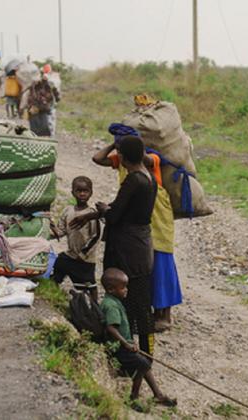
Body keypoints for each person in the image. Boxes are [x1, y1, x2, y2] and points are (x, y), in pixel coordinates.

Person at [71, 136, 157, 356]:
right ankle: (146, 354)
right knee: (142, 304)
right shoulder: (149, 177)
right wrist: (95, 214)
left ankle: (123, 352)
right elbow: (130, 210)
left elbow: (116, 214)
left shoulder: (133, 180)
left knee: (120, 300)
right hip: (142, 245)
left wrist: (102, 209)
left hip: (126, 248)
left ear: (123, 157)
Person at [93, 126, 182, 332]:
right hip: (143, 231)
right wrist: (117, 145)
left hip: (149, 224)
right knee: (143, 279)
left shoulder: (143, 171)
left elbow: (114, 215)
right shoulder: (144, 175)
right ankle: (144, 328)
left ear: (126, 155)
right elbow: (97, 158)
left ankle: (158, 317)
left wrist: (131, 146)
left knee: (161, 263)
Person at [100, 268, 177, 410]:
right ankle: (133, 398)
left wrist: (130, 342)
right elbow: (111, 328)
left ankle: (158, 395)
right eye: (123, 288)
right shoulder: (111, 306)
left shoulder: (114, 301)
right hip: (118, 348)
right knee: (142, 365)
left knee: (144, 362)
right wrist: (126, 344)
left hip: (124, 345)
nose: (126, 290)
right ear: (111, 289)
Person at [51, 176, 102, 301]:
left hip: (85, 259)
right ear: (73, 192)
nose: (82, 194)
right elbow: (62, 230)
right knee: (59, 263)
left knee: (89, 285)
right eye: (79, 191)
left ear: (91, 192)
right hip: (71, 254)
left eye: (86, 191)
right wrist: (52, 230)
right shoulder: (68, 210)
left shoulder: (91, 214)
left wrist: (83, 253)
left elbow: (95, 236)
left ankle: (95, 309)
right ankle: (53, 292)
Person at [25, 71, 60, 136]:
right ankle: (41, 136)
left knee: (41, 124)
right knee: (40, 124)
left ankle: (39, 136)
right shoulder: (36, 85)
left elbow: (56, 97)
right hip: (39, 107)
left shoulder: (49, 86)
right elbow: (31, 97)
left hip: (41, 108)